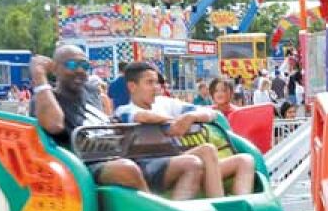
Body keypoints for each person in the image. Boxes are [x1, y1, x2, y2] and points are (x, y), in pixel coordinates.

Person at [29, 45, 205, 199]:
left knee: (192, 163)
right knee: (126, 169)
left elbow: (109, 121)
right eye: (72, 65)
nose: (80, 70)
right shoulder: (46, 98)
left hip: (121, 154)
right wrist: (40, 77)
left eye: (84, 65)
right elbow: (53, 125)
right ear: (56, 69)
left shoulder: (90, 91)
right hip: (84, 167)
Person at [114, 62, 256, 198]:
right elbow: (143, 117)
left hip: (176, 157)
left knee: (245, 160)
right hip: (150, 167)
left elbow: (210, 114)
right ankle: (218, 204)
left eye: (156, 82)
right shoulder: (125, 110)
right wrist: (172, 122)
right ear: (132, 87)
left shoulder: (165, 102)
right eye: (149, 83)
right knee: (203, 153)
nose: (155, 87)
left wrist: (190, 116)